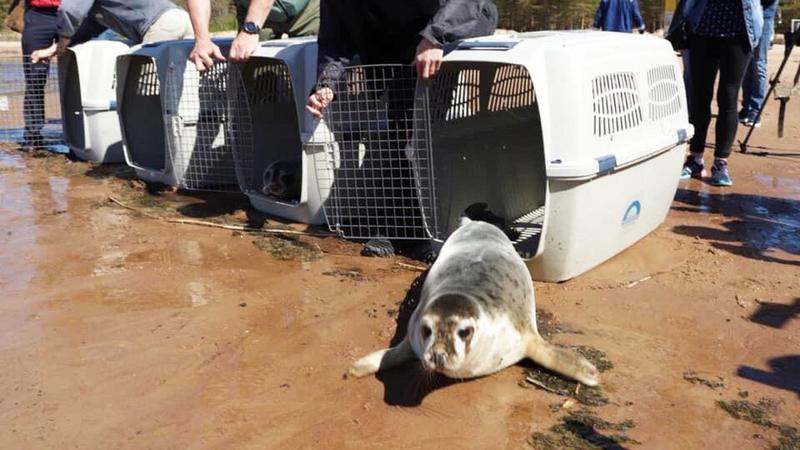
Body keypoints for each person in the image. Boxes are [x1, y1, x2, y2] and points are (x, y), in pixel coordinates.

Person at [305, 0, 497, 257]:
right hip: (393, 48)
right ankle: (403, 228)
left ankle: (442, 228)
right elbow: (335, 39)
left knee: (427, 131)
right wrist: (327, 83)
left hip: (450, 27)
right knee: (400, 132)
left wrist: (435, 36)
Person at [679, 0, 764, 187]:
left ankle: (721, 163)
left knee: (728, 97)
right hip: (702, 28)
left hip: (740, 32)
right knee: (700, 96)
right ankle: (695, 158)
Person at [30, 0, 194, 63]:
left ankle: (152, 138)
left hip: (160, 26)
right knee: (186, 88)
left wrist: (63, 40)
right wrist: (56, 48)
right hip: (182, 19)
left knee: (147, 89)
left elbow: (70, 11)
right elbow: (93, 26)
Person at [186, 0, 319, 71]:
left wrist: (249, 31)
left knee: (316, 63)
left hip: (307, 8)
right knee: (248, 69)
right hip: (250, 7)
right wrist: (202, 40)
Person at [739, 0, 780, 128]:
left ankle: (756, 110)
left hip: (764, 16)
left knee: (759, 63)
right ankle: (746, 107)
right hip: (747, 17)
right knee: (747, 64)